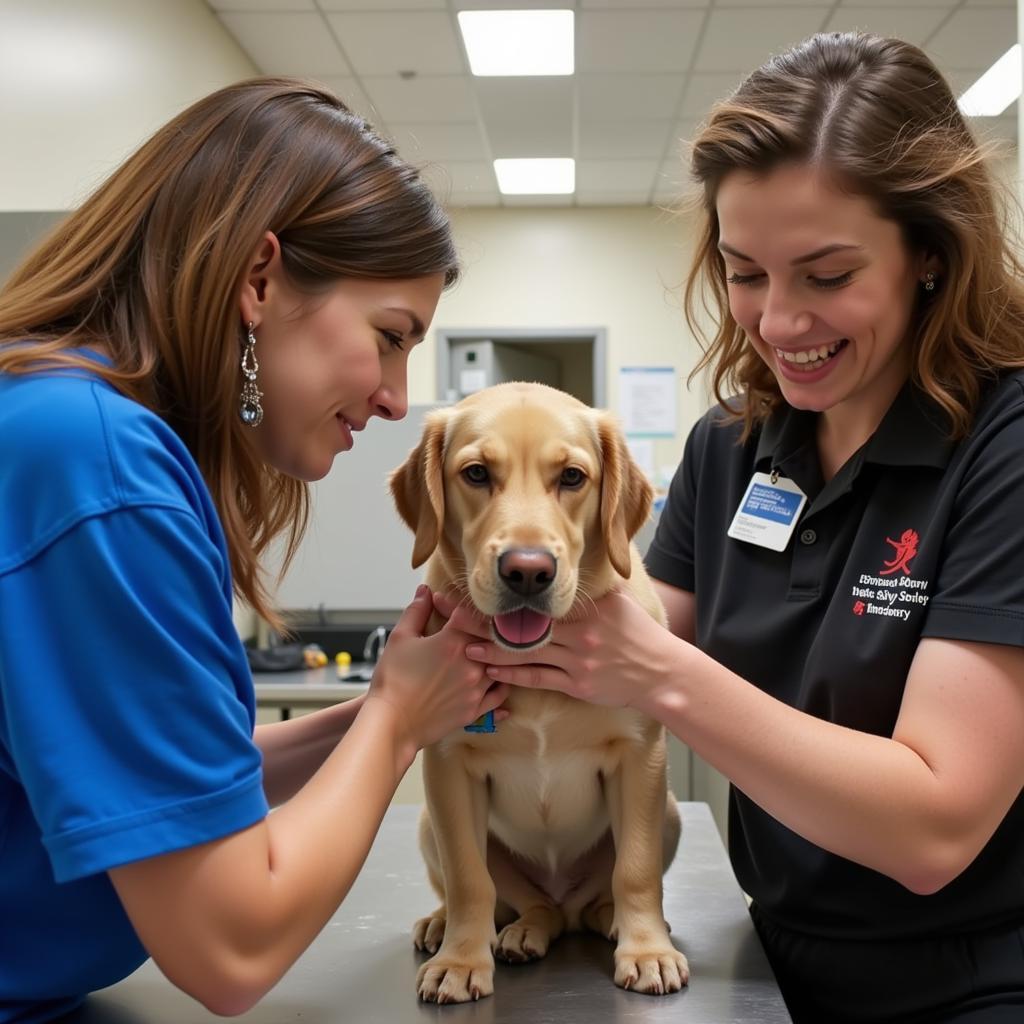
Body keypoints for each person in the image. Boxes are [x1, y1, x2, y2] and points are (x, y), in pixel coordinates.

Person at [449, 32, 1024, 1023]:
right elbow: (614, 630)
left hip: (969, 980)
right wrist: (483, 605)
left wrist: (658, 673)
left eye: (827, 275)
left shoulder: (1001, 447)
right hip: (769, 953)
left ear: (929, 254)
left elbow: (935, 828)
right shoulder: (737, 446)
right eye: (745, 271)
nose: (777, 320)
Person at [0, 79, 508, 1022]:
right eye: (390, 338)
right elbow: (233, 945)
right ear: (261, 279)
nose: (400, 397)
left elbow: (176, 782)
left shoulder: (59, 426)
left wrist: (393, 706)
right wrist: (395, 722)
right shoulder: (99, 472)